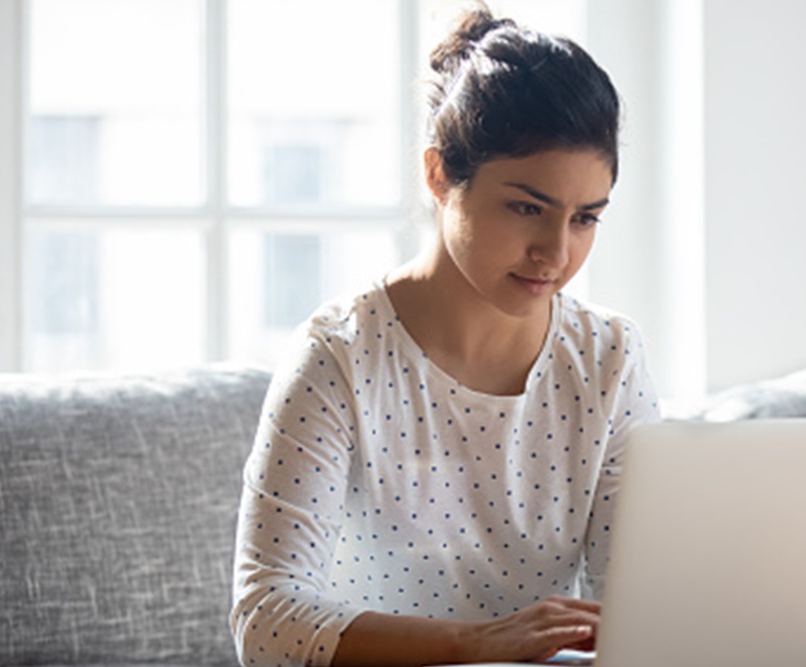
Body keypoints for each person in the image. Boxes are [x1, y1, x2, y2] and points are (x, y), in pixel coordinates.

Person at [230, 7, 661, 666]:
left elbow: (643, 604)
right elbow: (265, 621)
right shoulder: (339, 355)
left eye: (585, 218)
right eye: (527, 208)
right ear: (438, 176)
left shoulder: (608, 358)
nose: (556, 251)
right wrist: (477, 642)